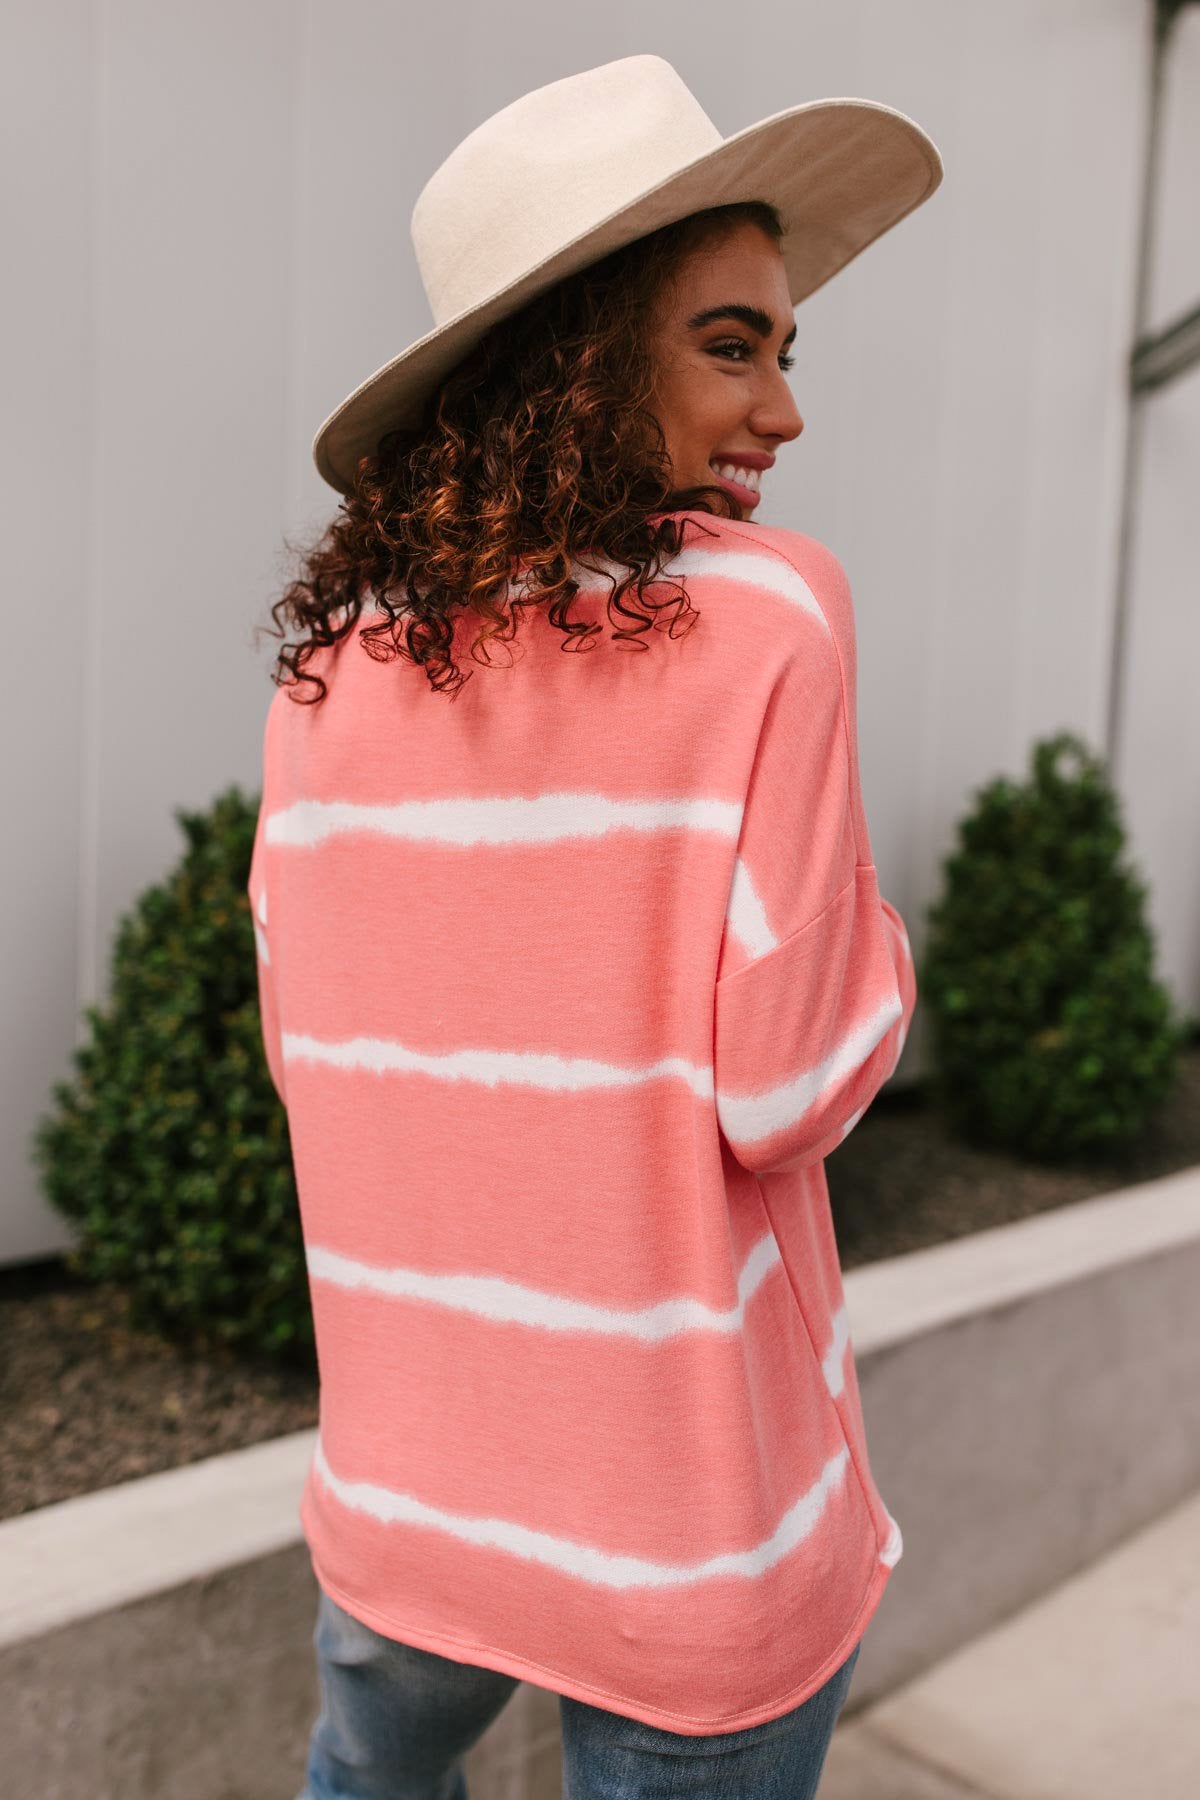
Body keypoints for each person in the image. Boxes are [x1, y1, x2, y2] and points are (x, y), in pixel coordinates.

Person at [250, 53, 941, 1800]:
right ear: (572, 345)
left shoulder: (330, 672)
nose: (784, 411)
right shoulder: (775, 620)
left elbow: (313, 1064)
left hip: (403, 1520)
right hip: (680, 1544)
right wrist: (889, 949)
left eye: (786, 350)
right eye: (732, 343)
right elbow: (789, 1090)